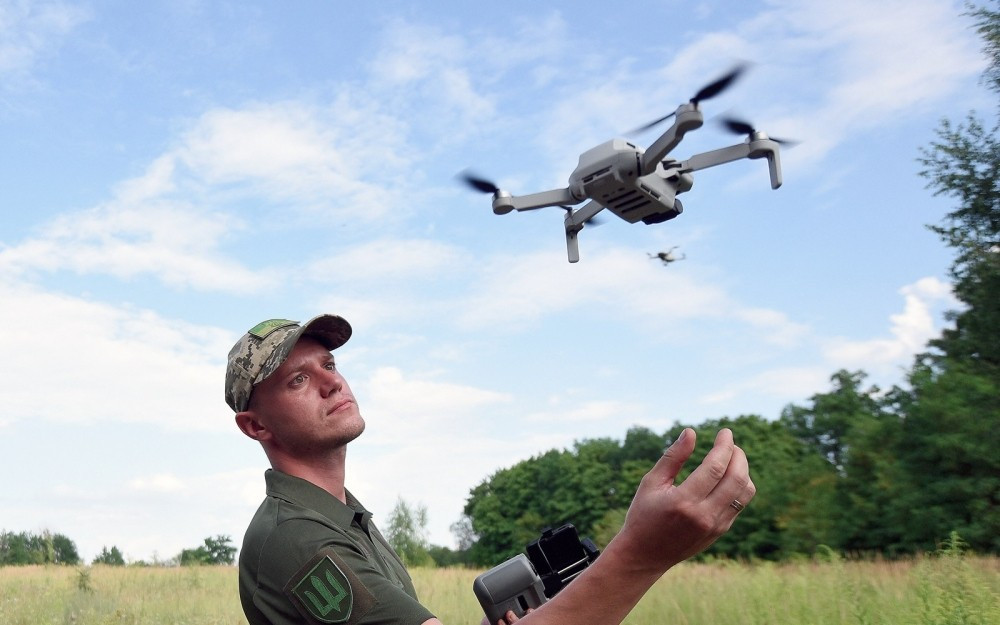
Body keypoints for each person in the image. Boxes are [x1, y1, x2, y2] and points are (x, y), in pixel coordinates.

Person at [226, 314, 755, 625]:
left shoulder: (341, 517)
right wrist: (641, 553)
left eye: (330, 365)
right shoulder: (295, 537)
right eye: (298, 380)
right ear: (256, 426)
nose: (332, 382)